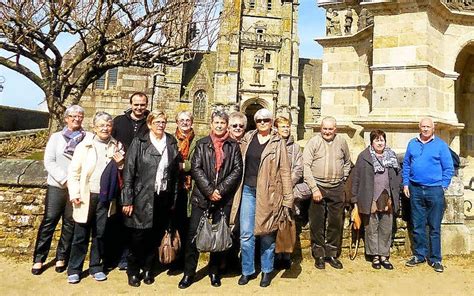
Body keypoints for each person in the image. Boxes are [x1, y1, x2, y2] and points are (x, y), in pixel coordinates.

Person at [178, 110, 243, 289]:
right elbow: (196, 168)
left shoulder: (233, 145)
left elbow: (237, 170)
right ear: (211, 124)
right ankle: (188, 273)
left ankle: (214, 272)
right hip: (201, 198)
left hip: (223, 199)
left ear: (226, 125)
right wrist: (209, 191)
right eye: (217, 122)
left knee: (219, 236)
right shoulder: (201, 144)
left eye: (223, 123)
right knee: (193, 236)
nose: (220, 125)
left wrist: (220, 191)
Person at [230, 108, 294, 288]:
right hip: (247, 191)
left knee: (267, 234)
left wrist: (288, 199)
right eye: (259, 120)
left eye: (266, 120)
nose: (263, 123)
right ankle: (247, 270)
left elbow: (285, 171)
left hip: (269, 193)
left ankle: (266, 270)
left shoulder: (277, 142)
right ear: (255, 122)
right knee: (246, 234)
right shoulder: (248, 138)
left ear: (271, 122)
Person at [121, 110, 180, 287]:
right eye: (157, 122)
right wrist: (127, 199)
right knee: (138, 236)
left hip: (163, 195)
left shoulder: (170, 141)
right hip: (141, 196)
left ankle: (148, 269)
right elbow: (129, 172)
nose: (160, 125)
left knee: (155, 235)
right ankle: (133, 270)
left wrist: (174, 198)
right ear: (149, 124)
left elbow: (175, 173)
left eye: (163, 122)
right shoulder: (139, 142)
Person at [67, 112, 125, 284]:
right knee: (80, 234)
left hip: (105, 196)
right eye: (101, 126)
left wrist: (121, 163)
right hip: (86, 195)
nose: (105, 128)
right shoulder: (84, 146)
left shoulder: (117, 146)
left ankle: (95, 266)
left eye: (108, 125)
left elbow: (122, 172)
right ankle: (74, 269)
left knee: (100, 234)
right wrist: (75, 193)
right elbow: (74, 172)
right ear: (94, 128)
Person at [31, 105, 87, 275]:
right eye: (73, 116)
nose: (76, 119)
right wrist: (65, 179)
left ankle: (62, 257)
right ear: (66, 118)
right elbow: (49, 161)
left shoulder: (87, 138)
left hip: (76, 188)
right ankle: (39, 258)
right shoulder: (56, 138)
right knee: (50, 220)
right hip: (57, 185)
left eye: (79, 116)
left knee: (70, 223)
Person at [403, 118, 454, 273]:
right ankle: (419, 255)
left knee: (434, 227)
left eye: (428, 127)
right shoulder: (412, 143)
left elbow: (448, 167)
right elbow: (406, 164)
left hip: (434, 190)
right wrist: (406, 183)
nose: (425, 129)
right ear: (419, 127)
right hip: (415, 188)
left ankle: (435, 259)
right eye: (423, 126)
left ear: (433, 128)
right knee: (417, 225)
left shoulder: (441, 145)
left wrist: (443, 186)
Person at [302, 116, 351, 270]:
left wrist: (342, 178)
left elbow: (347, 162)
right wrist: (314, 188)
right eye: (325, 128)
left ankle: (331, 254)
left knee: (336, 223)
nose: (327, 132)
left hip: (336, 187)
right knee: (317, 223)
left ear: (335, 129)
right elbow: (306, 165)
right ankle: (319, 255)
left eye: (330, 129)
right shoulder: (314, 142)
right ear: (320, 128)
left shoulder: (342, 142)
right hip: (318, 187)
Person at [108, 92, 149, 270]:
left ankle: (127, 257)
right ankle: (111, 256)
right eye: (136, 104)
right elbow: (110, 143)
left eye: (142, 105)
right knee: (115, 217)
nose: (139, 108)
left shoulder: (150, 123)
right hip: (119, 174)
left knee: (132, 219)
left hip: (140, 179)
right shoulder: (119, 121)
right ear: (130, 104)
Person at [351, 130, 401, 270]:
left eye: (382, 140)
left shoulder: (391, 156)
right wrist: (354, 199)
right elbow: (356, 178)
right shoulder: (364, 157)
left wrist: (396, 191)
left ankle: (384, 255)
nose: (380, 143)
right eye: (377, 140)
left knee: (386, 227)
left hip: (387, 197)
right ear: (371, 142)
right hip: (370, 197)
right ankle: (375, 256)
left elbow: (398, 175)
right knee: (371, 227)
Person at [273, 116, 303, 270]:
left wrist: (288, 184)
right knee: (275, 222)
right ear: (276, 128)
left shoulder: (295, 147)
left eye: (287, 126)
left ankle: (286, 255)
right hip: (274, 190)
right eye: (282, 126)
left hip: (289, 189)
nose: (285, 129)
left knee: (288, 221)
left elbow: (298, 168)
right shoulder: (271, 144)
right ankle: (276, 254)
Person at [172, 111, 198, 270]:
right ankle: (173, 259)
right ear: (176, 122)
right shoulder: (170, 139)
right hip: (174, 187)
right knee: (174, 224)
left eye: (187, 120)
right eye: (181, 120)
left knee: (189, 227)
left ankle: (186, 263)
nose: (185, 122)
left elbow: (198, 163)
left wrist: (184, 166)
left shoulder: (198, 140)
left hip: (192, 188)